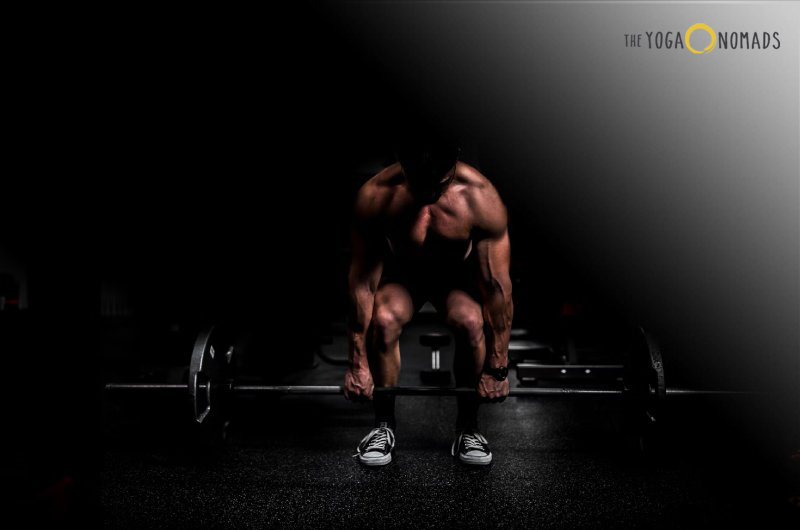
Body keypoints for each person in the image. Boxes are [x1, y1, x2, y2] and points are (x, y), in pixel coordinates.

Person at [344, 132, 513, 466]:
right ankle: (383, 426)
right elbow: (362, 282)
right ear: (402, 165)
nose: (429, 192)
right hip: (403, 275)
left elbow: (496, 288)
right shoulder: (376, 195)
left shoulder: (480, 197)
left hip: (457, 277)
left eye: (440, 181)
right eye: (419, 182)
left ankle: (468, 428)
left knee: (471, 322)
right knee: (383, 318)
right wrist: (356, 362)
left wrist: (498, 367)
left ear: (453, 164)